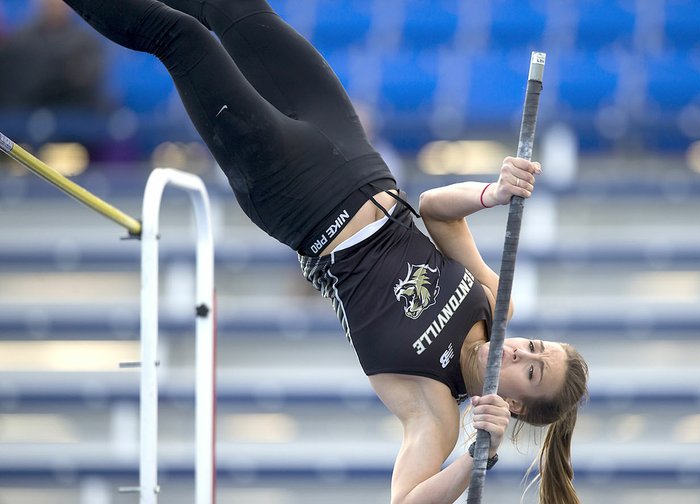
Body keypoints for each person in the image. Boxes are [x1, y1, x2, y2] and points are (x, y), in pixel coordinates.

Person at [59, 1, 589, 502]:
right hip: (354, 153)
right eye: (538, 346)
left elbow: (404, 499)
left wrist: (479, 455)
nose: (523, 352)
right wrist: (490, 194)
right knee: (236, 10)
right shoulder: (496, 306)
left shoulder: (436, 413)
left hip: (297, 197)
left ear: (515, 404)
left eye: (533, 370)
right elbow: (434, 208)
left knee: (181, 36)